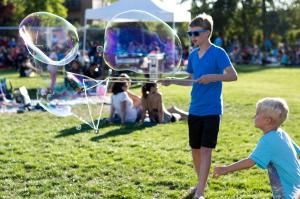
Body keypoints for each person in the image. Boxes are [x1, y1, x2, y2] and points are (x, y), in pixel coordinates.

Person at [160, 13, 238, 198]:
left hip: (212, 110)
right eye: (190, 33)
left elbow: (233, 76)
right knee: (195, 149)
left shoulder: (219, 53)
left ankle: (200, 192)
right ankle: (200, 183)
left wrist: (213, 77)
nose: (192, 37)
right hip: (194, 109)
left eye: (196, 33)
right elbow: (190, 80)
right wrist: (172, 80)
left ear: (207, 33)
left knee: (205, 150)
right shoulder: (193, 55)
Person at [213, 97, 300, 199]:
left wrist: (226, 169)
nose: (254, 116)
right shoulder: (281, 133)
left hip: (289, 191)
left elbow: (250, 162)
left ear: (268, 120)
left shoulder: (268, 140)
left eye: (257, 114)